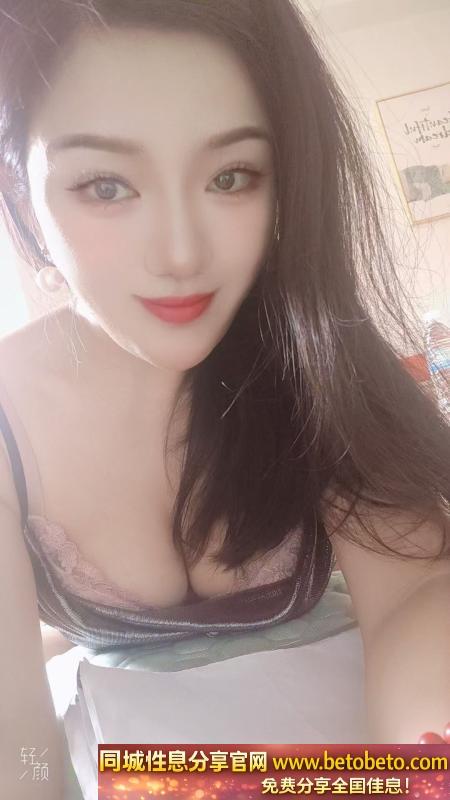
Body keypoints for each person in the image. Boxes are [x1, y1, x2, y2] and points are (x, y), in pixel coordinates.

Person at [0, 1, 448, 796]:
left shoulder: (313, 354)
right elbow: (17, 742)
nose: (181, 253)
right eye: (106, 185)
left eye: (230, 177)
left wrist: (422, 770)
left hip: (350, 756)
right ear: (23, 194)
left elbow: (415, 592)